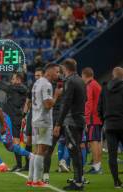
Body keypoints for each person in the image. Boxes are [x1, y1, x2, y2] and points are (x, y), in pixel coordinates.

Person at [26, 63, 61, 187]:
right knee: (42, 150)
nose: (58, 74)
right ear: (49, 72)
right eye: (57, 72)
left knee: (36, 150)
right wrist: (56, 95)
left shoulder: (37, 82)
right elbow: (48, 104)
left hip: (35, 119)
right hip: (43, 121)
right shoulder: (47, 84)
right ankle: (37, 180)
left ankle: (30, 179)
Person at [54, 58, 86, 191]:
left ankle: (78, 182)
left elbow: (66, 103)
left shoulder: (70, 81)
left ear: (66, 69)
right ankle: (79, 179)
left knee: (74, 150)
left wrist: (58, 124)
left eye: (62, 69)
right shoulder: (81, 80)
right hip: (79, 119)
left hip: (71, 120)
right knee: (76, 150)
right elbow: (86, 99)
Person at [98, 67, 123, 188]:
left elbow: (100, 107)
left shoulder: (104, 88)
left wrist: (104, 121)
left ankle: (116, 182)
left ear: (113, 76)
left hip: (109, 125)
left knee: (112, 155)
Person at [22, 68, 44, 171]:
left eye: (39, 75)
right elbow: (28, 102)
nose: (37, 78)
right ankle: (28, 165)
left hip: (42, 115)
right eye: (36, 76)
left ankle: (39, 165)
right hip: (32, 114)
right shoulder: (32, 86)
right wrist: (24, 116)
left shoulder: (46, 86)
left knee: (40, 141)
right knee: (29, 140)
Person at [81, 67, 103, 174]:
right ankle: (98, 165)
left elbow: (88, 102)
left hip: (92, 117)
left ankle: (97, 167)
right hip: (98, 117)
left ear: (84, 75)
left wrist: (86, 117)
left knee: (93, 141)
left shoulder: (90, 85)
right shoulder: (96, 84)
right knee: (97, 141)